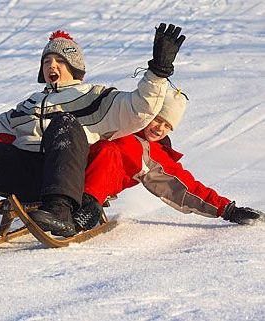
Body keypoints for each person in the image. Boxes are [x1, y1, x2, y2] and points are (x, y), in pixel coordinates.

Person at [0, 23, 186, 256]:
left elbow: (138, 109)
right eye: (46, 61)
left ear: (74, 67)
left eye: (60, 61)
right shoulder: (29, 104)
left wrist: (158, 73)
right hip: (24, 173)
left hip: (65, 176)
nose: (51, 65)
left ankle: (60, 212)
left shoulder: (96, 97)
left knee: (63, 123)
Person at [72, 87, 265, 231]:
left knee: (108, 149)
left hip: (92, 185)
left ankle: (88, 206)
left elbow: (184, 186)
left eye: (167, 126)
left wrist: (227, 210)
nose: (160, 128)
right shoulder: (119, 120)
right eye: (158, 119)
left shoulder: (151, 153)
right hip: (67, 163)